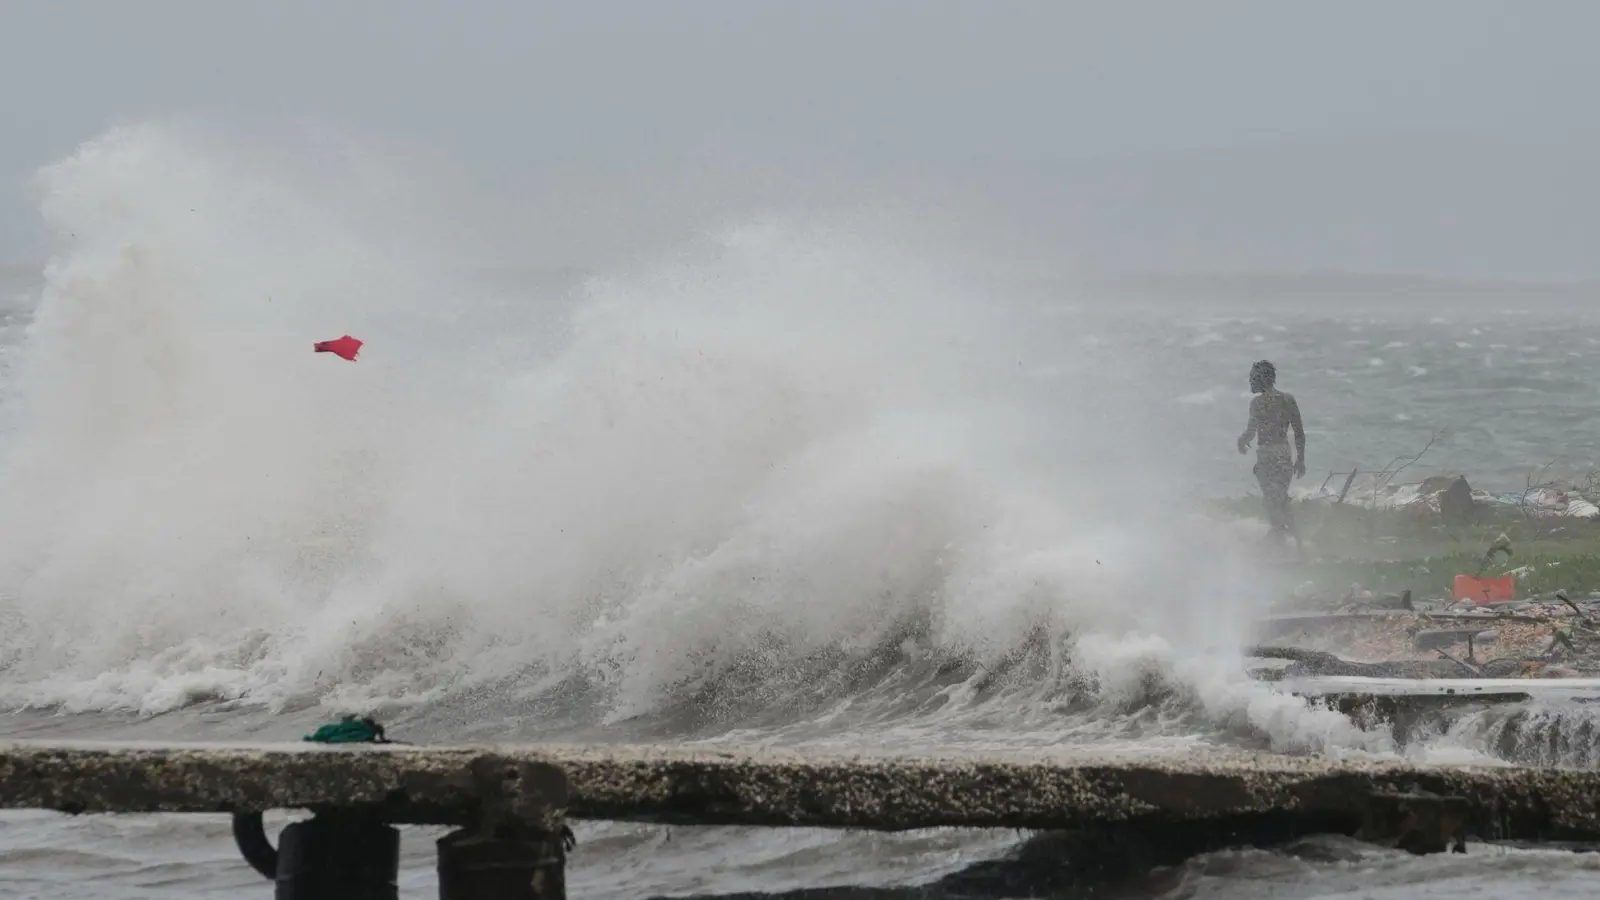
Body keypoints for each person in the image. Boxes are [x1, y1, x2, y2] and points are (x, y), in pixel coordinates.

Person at [1237, 360, 1305, 546]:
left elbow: (1251, 432)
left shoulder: (1257, 403)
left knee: (1272, 502)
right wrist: (1301, 460)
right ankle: (1295, 543)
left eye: (1252, 378)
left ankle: (1280, 541)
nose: (1250, 381)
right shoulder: (1287, 399)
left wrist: (1242, 441)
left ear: (1261, 379)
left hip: (1266, 455)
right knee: (1281, 500)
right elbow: (1299, 433)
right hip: (1283, 453)